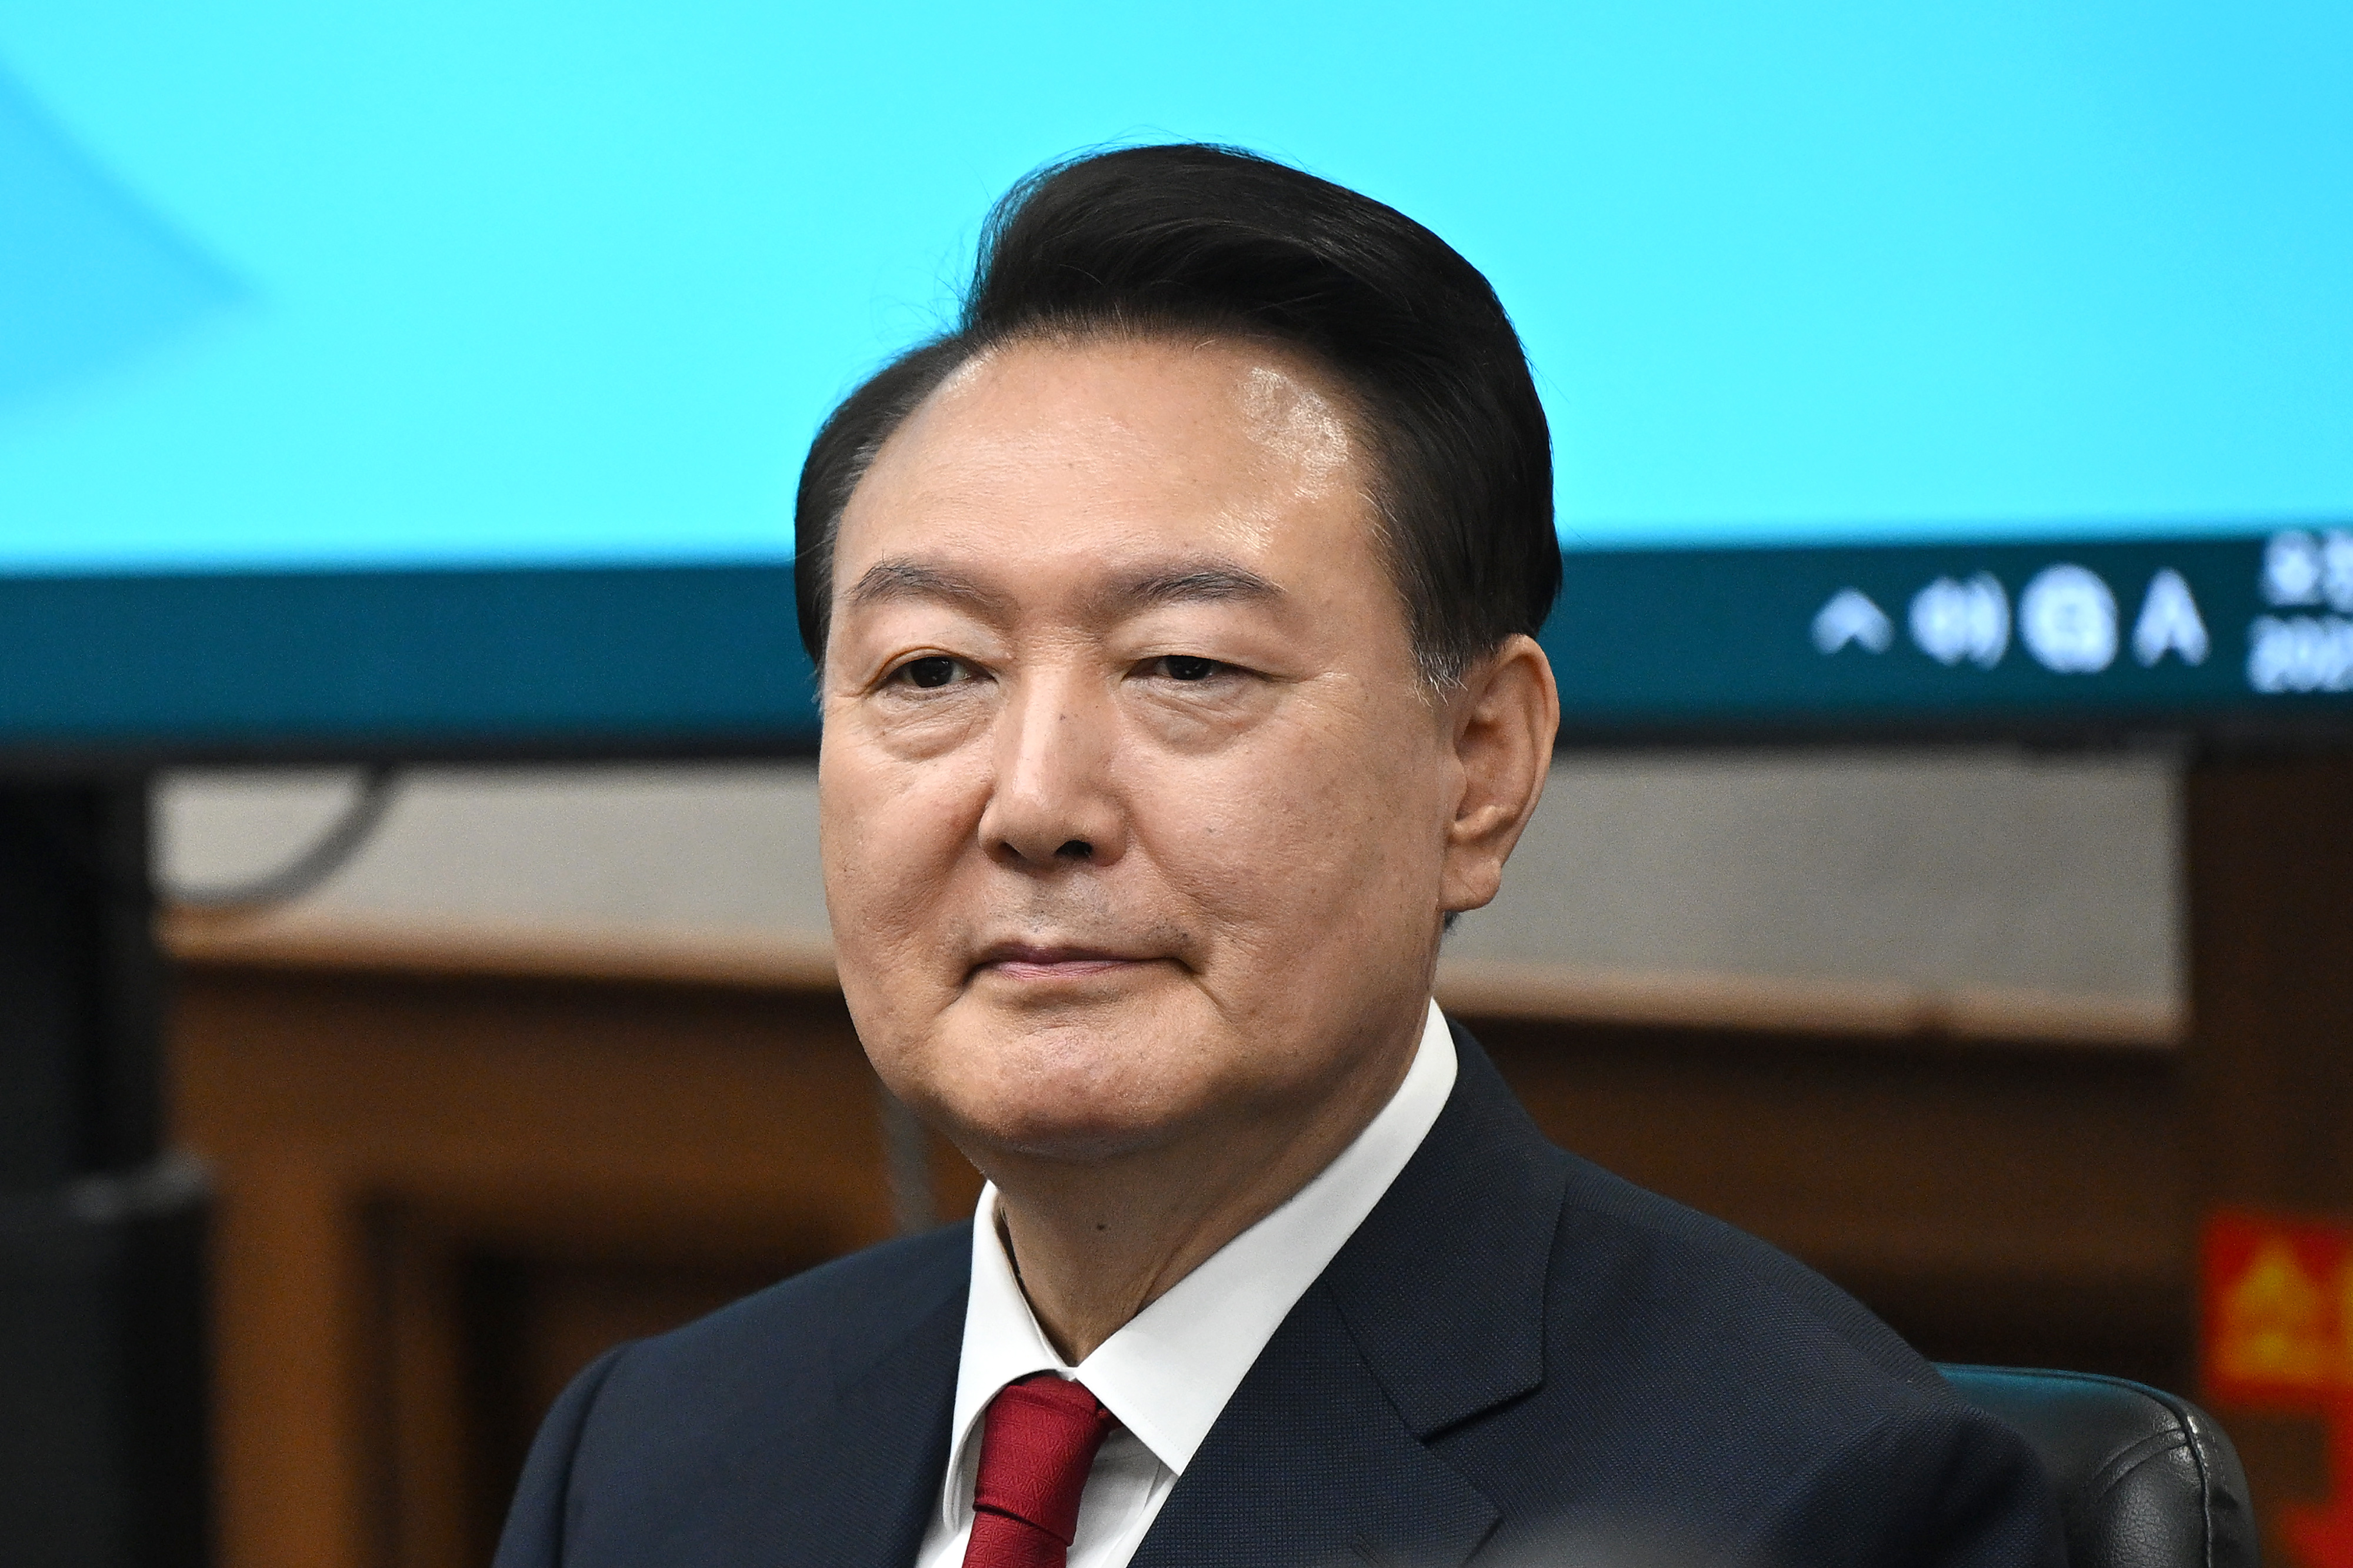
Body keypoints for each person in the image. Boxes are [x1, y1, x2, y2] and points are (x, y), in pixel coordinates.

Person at [494, 144, 2062, 1568]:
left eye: (1185, 666)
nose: (1034, 802)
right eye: (933, 671)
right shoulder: (648, 1458)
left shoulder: (1812, 1501)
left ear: (1481, 767)